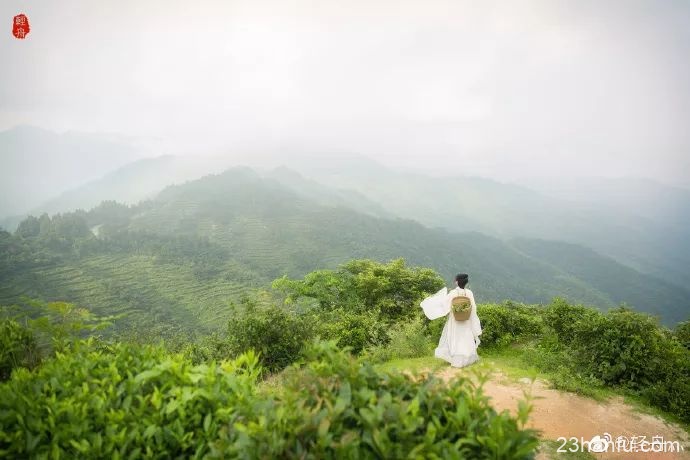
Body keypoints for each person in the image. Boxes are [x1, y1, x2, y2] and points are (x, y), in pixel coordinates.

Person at [420, 273, 482, 368]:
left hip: (455, 320)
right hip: (466, 319)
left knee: (455, 338)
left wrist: (432, 302)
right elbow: (473, 307)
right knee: (466, 337)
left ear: (457, 282)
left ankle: (457, 360)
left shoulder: (453, 293)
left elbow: (445, 305)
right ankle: (467, 359)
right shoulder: (469, 293)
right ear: (466, 282)